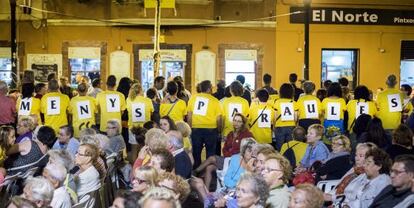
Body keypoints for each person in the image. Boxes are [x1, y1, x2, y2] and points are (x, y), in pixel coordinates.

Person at [193, 113, 253, 188]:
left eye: (239, 121)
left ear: (243, 123)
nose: (236, 123)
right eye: (234, 120)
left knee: (212, 158)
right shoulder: (230, 134)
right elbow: (224, 148)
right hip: (227, 159)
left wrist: (231, 155)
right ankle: (206, 192)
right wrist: (227, 154)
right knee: (209, 168)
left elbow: (246, 150)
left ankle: (195, 172)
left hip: (237, 161)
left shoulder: (247, 134)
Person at [187, 80, 223, 168]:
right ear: (208, 89)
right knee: (210, 153)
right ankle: (207, 171)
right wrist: (219, 130)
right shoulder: (215, 101)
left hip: (196, 128)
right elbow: (219, 118)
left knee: (196, 152)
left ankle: (196, 171)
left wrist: (190, 128)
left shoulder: (193, 98)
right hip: (211, 129)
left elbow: (189, 116)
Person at [273, 83, 298, 150]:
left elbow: (275, 116)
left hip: (279, 126)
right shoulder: (294, 103)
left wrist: (274, 125)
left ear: (280, 92)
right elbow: (295, 117)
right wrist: (294, 124)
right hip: (291, 126)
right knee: (290, 147)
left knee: (280, 147)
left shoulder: (277, 102)